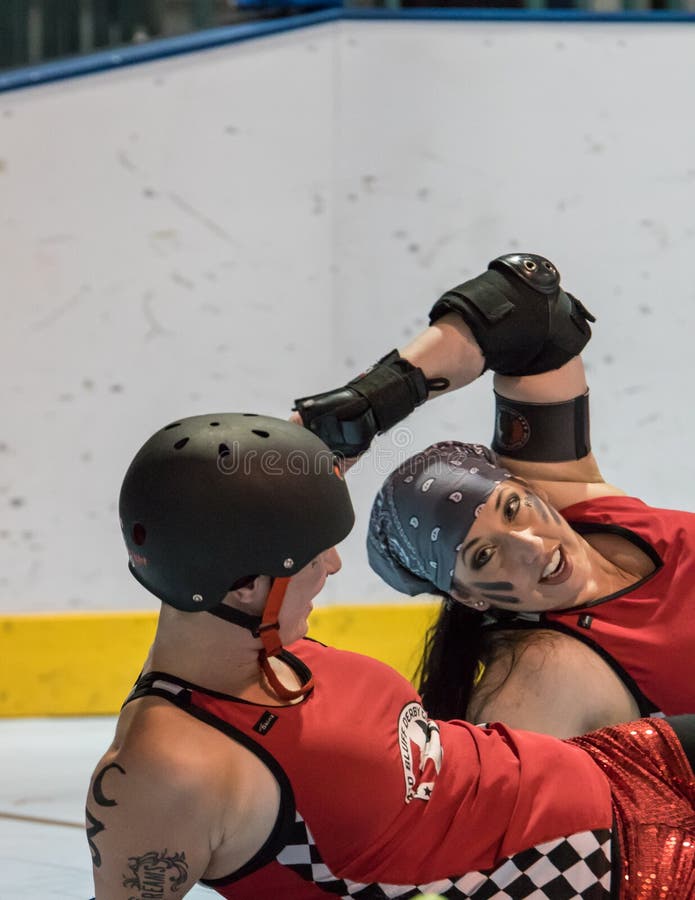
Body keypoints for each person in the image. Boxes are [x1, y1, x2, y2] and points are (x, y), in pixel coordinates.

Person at [87, 411, 695, 899]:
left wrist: (372, 399)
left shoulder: (254, 642)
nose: (332, 565)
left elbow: (218, 492)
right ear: (246, 586)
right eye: (313, 554)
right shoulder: (166, 770)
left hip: (626, 767)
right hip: (614, 869)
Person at [293, 252, 695, 737]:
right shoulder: (541, 677)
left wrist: (368, 407)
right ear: (467, 594)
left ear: (527, 487)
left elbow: (530, 308)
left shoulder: (574, 499)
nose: (531, 545)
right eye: (484, 556)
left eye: (512, 508)